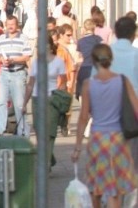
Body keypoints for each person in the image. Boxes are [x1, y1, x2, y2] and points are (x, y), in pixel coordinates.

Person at [72, 44, 138, 208]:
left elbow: (83, 117)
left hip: (97, 140)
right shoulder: (123, 81)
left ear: (94, 61)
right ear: (111, 60)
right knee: (114, 188)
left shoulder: (88, 84)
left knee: (96, 187)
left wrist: (78, 147)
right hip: (119, 139)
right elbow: (136, 108)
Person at [22, 34, 67, 168]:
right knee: (39, 130)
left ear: (48, 45)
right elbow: (30, 84)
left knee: (50, 131)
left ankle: (46, 163)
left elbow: (64, 82)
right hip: (37, 98)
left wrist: (59, 94)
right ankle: (49, 157)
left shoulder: (58, 61)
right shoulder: (36, 62)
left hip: (52, 98)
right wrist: (24, 103)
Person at [0, 15, 32, 136]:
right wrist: (2, 60)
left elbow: (26, 56)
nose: (10, 27)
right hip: (4, 73)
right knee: (1, 102)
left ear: (17, 25)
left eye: (12, 24)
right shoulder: (1, 38)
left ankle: (23, 132)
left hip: (18, 74)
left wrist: (13, 60)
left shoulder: (24, 38)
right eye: (8, 24)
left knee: (19, 104)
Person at [109, 15, 138, 163]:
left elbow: (93, 82)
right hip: (132, 110)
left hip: (108, 109)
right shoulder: (135, 54)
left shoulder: (105, 53)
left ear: (115, 32)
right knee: (131, 154)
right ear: (134, 34)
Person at [56, 24, 78, 136]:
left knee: (67, 107)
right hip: (57, 82)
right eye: (68, 35)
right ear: (61, 35)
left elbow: (72, 67)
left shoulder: (72, 47)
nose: (70, 38)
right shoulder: (57, 48)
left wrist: (72, 81)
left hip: (67, 81)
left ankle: (66, 125)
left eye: (71, 35)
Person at [76, 19, 102, 100]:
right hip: (96, 67)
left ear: (84, 28)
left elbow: (79, 57)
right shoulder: (98, 39)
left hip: (84, 67)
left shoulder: (80, 41)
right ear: (94, 28)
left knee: (82, 91)